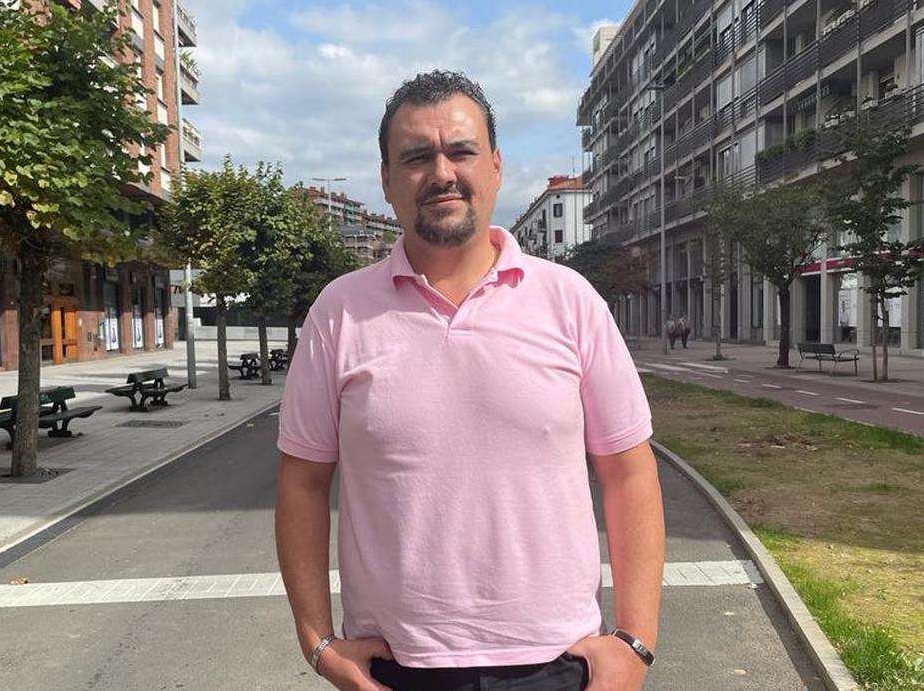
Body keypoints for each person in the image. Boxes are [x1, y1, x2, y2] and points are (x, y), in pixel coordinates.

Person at [276, 70, 664, 691]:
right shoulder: (339, 312)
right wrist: (318, 642)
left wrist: (636, 641)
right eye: (416, 157)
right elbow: (302, 481)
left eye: (461, 151)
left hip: (558, 664)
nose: (442, 173)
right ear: (386, 180)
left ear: (496, 166)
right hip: (396, 667)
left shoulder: (570, 301)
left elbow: (629, 471)